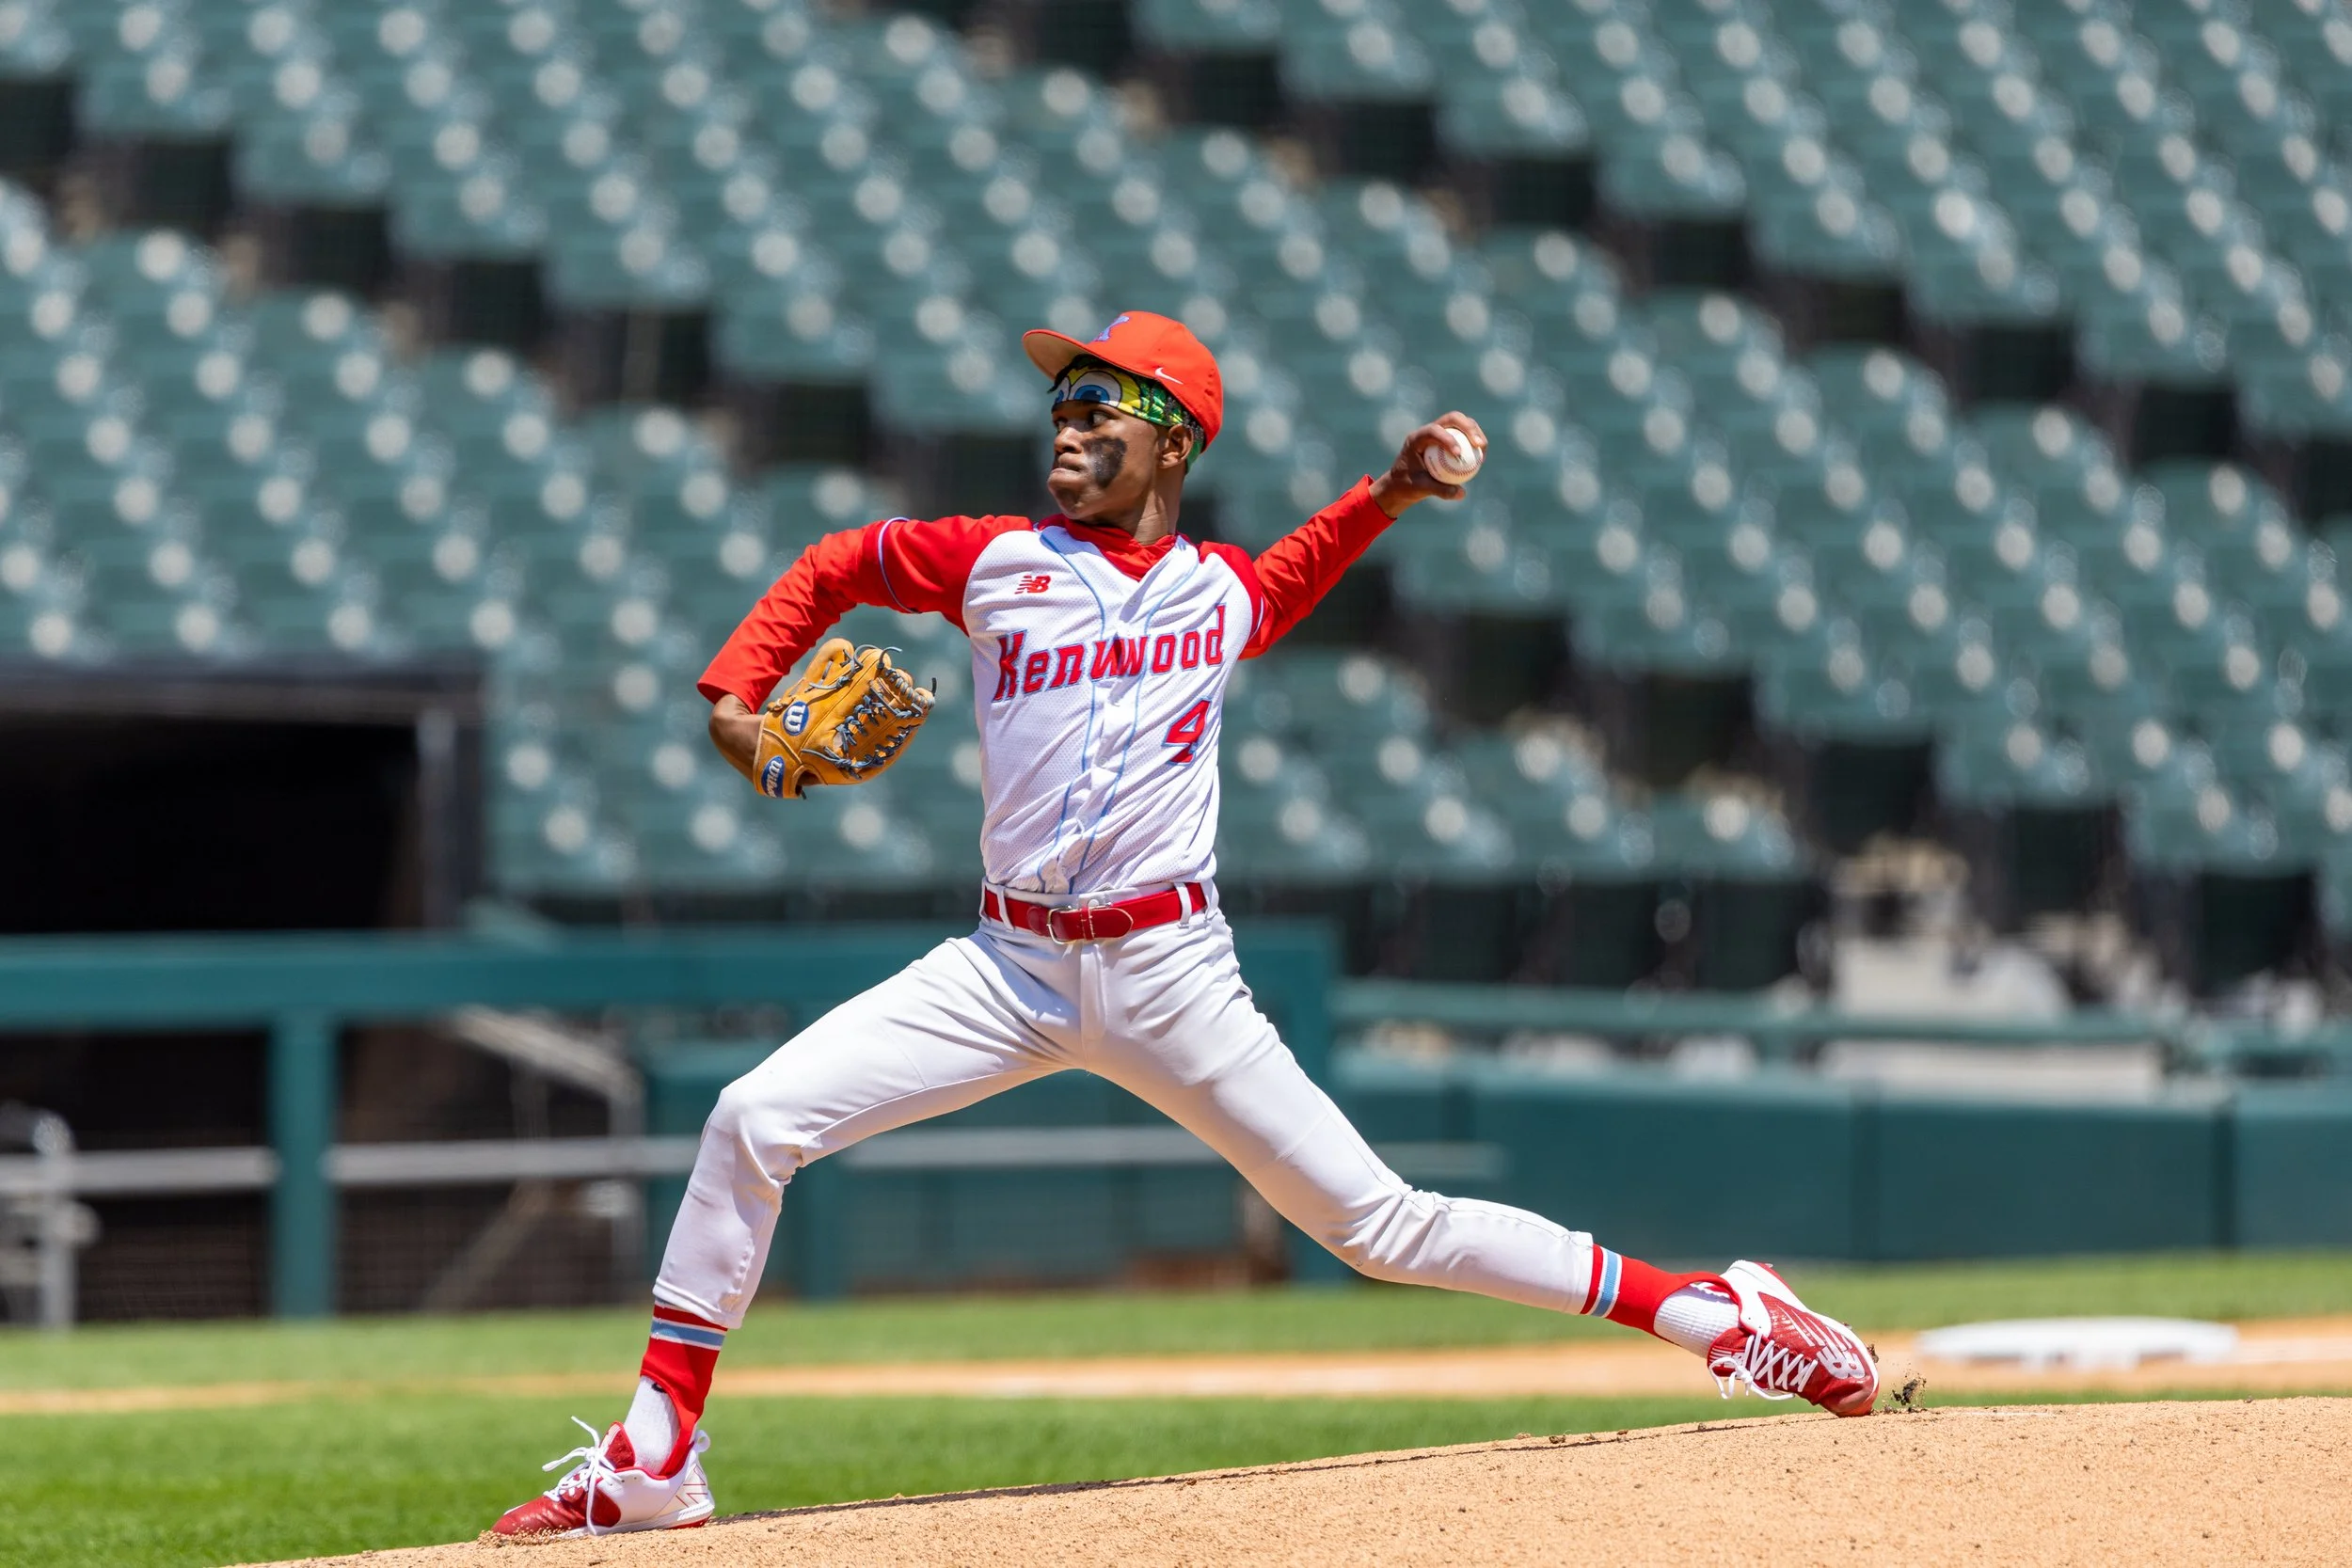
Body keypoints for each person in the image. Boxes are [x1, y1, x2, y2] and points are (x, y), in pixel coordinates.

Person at [491, 310, 1878, 1539]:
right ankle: (655, 1459)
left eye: (1100, 406)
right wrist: (738, 705)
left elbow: (1290, 577)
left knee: (1381, 1227)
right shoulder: (995, 560)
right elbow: (834, 563)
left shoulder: (1218, 592)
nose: (1067, 425)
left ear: (1173, 443)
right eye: (1060, 404)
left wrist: (1391, 491)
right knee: (751, 1118)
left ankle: (1720, 1314)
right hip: (1008, 967)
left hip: (1170, 974)